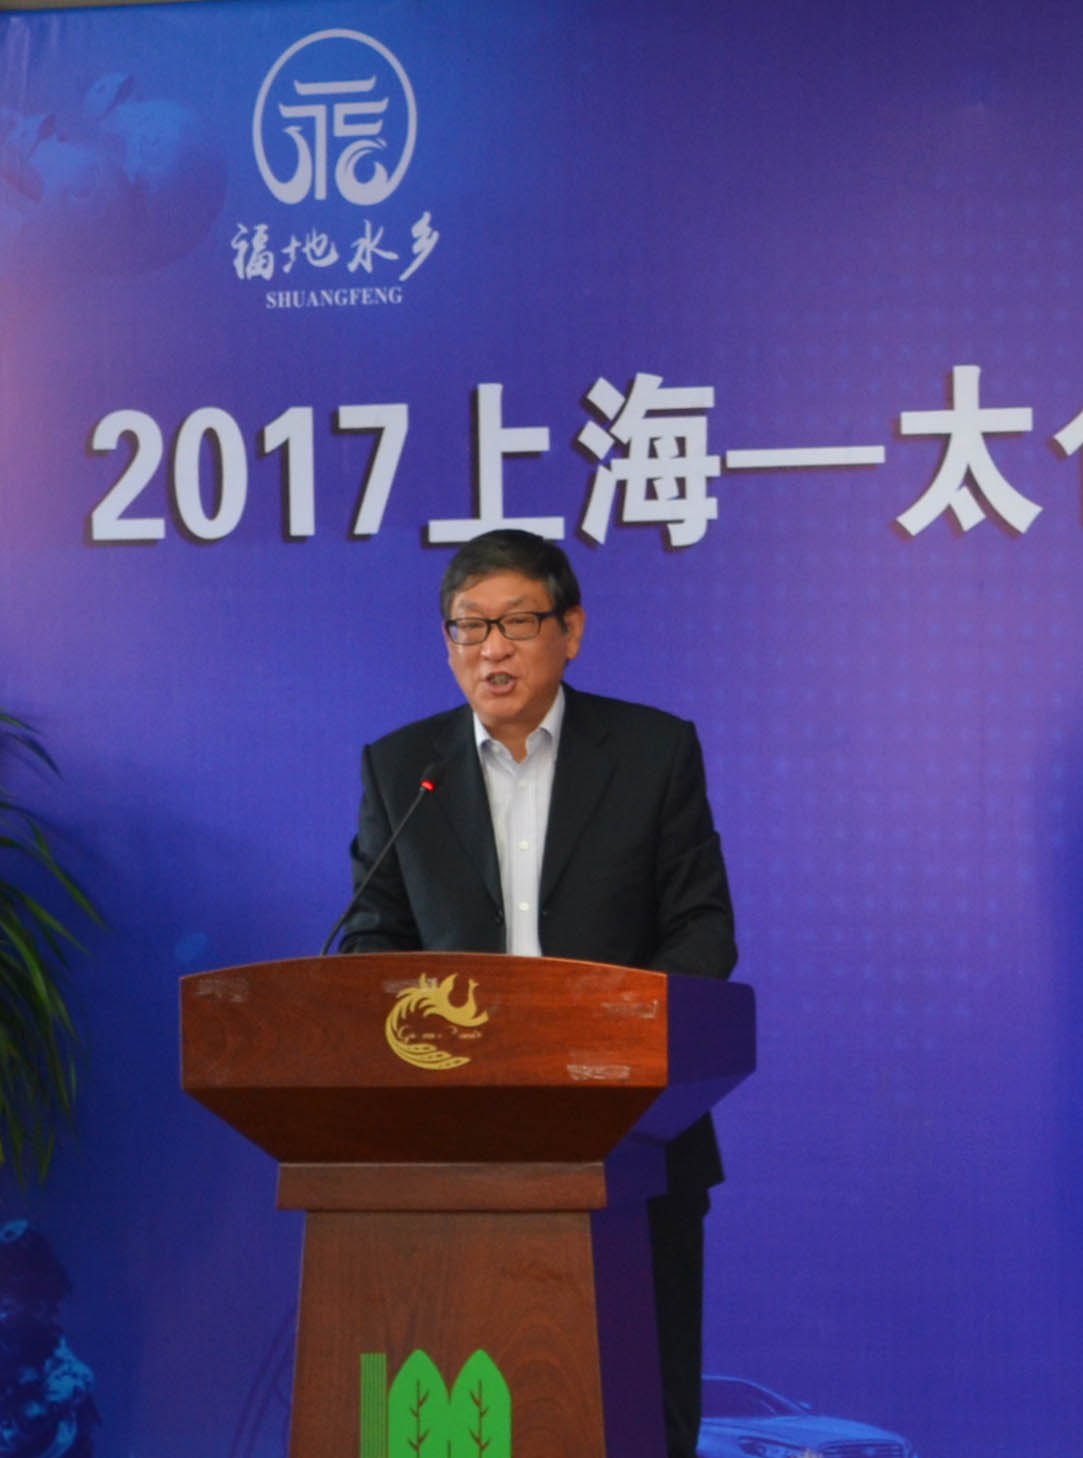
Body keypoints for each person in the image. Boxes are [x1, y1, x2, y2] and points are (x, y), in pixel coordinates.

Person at [338, 528, 737, 1458]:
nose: (492, 648)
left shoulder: (652, 752)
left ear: (571, 632)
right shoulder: (403, 769)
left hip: (633, 1135)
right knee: (470, 1408)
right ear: (446, 643)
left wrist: (613, 1042)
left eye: (517, 622)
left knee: (640, 1406)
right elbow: (372, 938)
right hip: (454, 1145)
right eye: (468, 626)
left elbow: (701, 929)